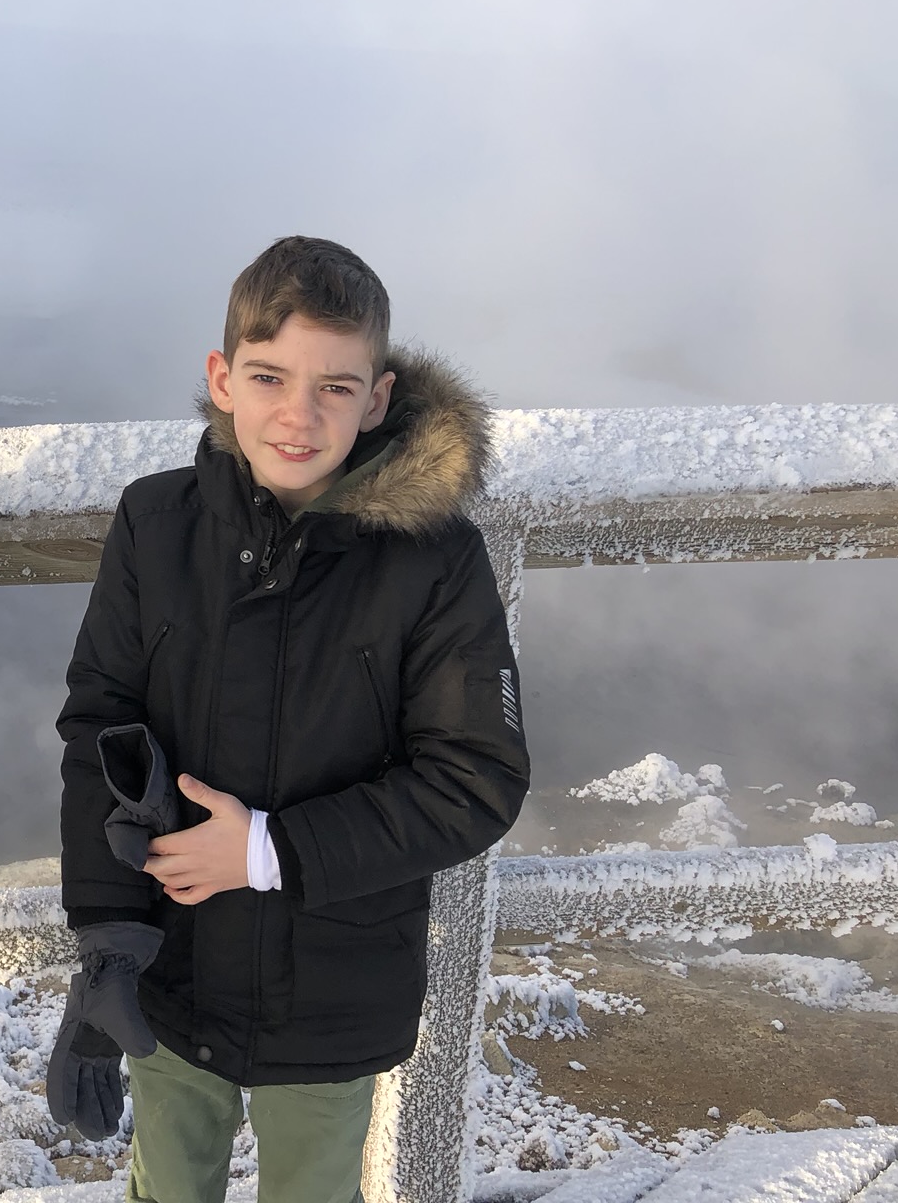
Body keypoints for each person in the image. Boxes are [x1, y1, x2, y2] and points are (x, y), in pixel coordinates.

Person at [50, 235, 531, 1203]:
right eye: (269, 377)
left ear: (378, 398)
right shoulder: (155, 525)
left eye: (334, 387)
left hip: (332, 990)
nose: (298, 415)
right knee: (166, 1188)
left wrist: (270, 851)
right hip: (171, 973)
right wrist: (107, 939)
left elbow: (476, 777)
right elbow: (98, 727)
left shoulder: (433, 560)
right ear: (222, 378)